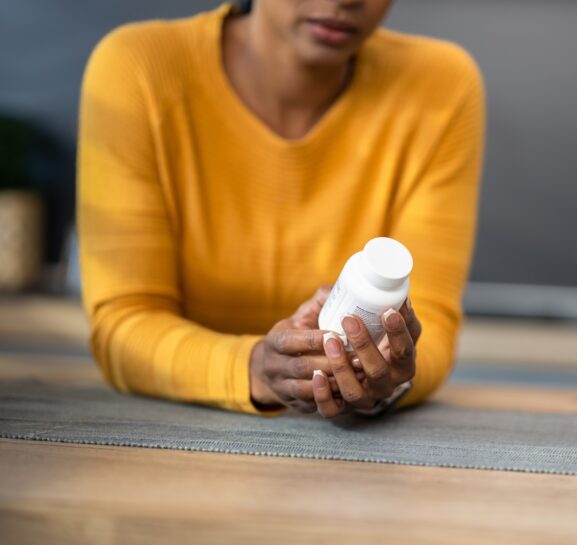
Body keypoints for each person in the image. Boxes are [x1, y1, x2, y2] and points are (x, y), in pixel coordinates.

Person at [77, 0, 485, 418]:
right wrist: (255, 368)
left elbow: (430, 328)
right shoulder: (139, 69)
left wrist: (387, 379)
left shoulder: (440, 86)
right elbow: (123, 326)